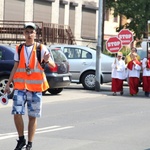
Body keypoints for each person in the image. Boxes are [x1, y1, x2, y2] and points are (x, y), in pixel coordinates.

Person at [4, 22, 56, 150]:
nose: (29, 34)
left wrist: (46, 60)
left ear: (35, 34)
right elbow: (15, 67)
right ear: (23, 33)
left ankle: (30, 144)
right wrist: (8, 83)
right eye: (26, 32)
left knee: (32, 117)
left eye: (31, 32)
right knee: (16, 113)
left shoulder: (40, 48)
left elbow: (53, 65)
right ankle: (21, 139)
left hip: (35, 88)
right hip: (20, 86)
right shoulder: (19, 48)